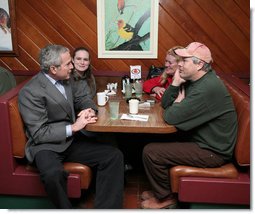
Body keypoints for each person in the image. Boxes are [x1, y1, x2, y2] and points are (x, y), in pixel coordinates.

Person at [18, 44, 124, 209]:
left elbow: (83, 97)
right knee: (53, 174)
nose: (72, 66)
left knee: (113, 156)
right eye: (68, 63)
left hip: (69, 142)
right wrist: (73, 127)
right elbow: (39, 133)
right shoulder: (31, 91)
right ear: (53, 68)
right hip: (45, 146)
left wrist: (88, 109)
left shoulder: (67, 79)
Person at [141, 42, 238, 209]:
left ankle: (165, 198)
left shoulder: (207, 87)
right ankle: (160, 191)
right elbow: (165, 104)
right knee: (150, 140)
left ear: (199, 64)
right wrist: (175, 84)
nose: (179, 63)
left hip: (213, 150)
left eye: (185, 60)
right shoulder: (195, 80)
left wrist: (177, 104)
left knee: (151, 152)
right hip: (201, 140)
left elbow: (171, 116)